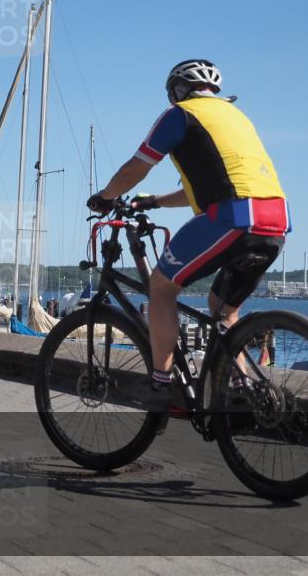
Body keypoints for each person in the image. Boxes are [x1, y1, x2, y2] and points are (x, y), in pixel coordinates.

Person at [87, 60, 289, 410]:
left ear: (178, 90)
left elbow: (136, 167)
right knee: (224, 311)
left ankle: (161, 384)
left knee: (162, 287)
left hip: (233, 217)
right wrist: (154, 201)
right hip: (275, 220)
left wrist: (105, 197)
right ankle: (243, 391)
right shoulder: (236, 118)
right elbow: (204, 188)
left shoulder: (180, 115)